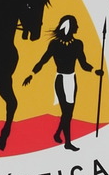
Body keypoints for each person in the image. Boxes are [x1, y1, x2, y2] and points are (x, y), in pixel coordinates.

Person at [22, 14, 103, 150]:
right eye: (75, 25)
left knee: (68, 112)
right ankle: (67, 143)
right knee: (66, 112)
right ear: (69, 27)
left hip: (72, 79)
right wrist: (31, 74)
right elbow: (43, 60)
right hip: (60, 80)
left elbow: (84, 64)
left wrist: (95, 70)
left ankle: (57, 133)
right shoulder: (55, 44)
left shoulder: (78, 44)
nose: (77, 27)